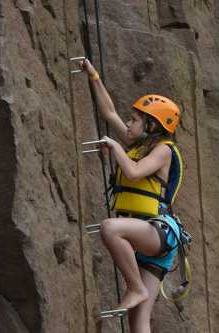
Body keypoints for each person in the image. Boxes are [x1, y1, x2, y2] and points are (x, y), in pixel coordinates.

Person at [81, 59, 183, 333]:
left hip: (159, 231)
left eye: (135, 120)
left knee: (110, 228)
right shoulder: (139, 145)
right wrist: (94, 77)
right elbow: (109, 112)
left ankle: (135, 286)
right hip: (151, 240)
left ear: (152, 125)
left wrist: (114, 146)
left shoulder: (164, 149)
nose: (128, 122)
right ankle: (137, 290)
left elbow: (135, 172)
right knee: (138, 322)